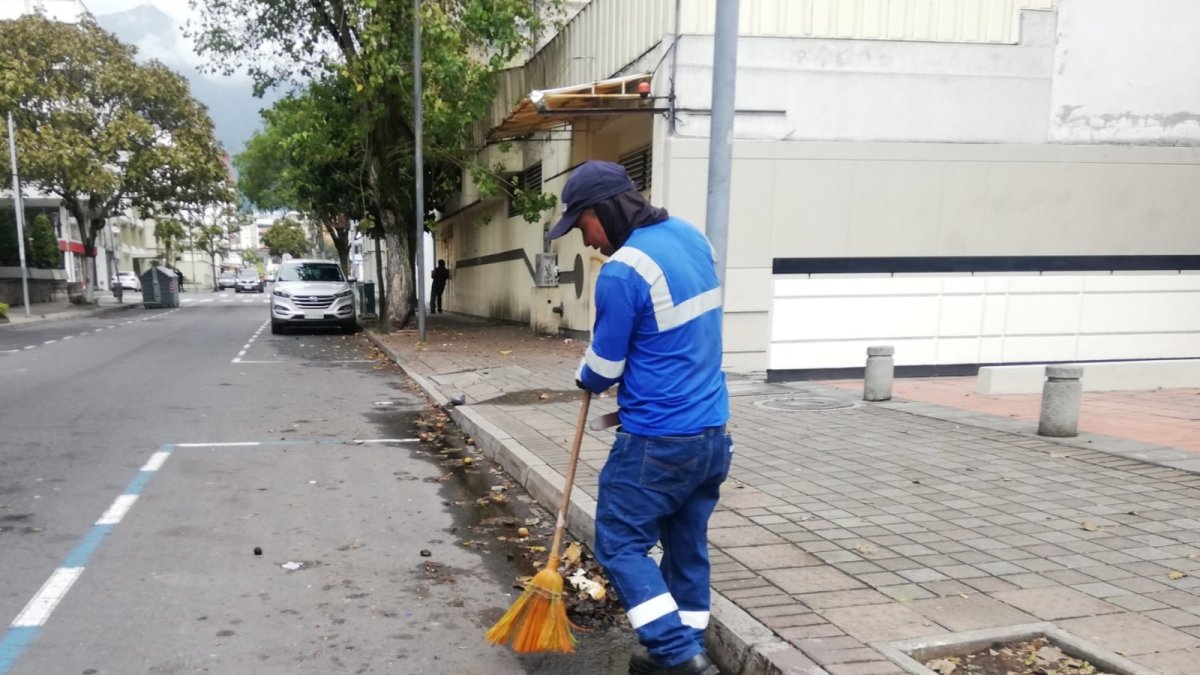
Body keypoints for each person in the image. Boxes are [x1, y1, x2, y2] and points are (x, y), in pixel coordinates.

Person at [546, 161, 730, 675]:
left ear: (603, 211)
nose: (587, 242)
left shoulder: (624, 270)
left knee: (620, 543)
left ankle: (678, 655)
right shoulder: (693, 239)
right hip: (713, 435)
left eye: (583, 227)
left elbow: (603, 370)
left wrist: (584, 374)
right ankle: (676, 649)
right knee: (686, 545)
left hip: (658, 441)